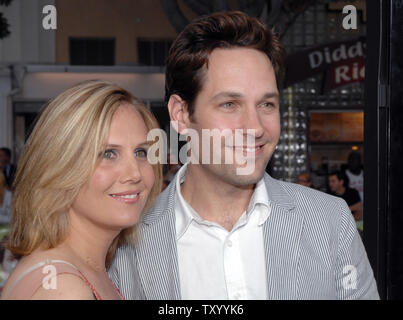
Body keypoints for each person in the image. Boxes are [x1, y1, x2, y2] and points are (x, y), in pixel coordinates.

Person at [109, 11, 379, 299]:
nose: (255, 127)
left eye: (266, 105)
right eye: (230, 104)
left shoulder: (329, 222)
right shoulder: (125, 241)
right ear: (181, 114)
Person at [1, 80, 162, 300]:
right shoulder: (65, 289)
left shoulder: (79, 270)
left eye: (141, 152)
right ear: (60, 166)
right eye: (108, 154)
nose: (135, 173)